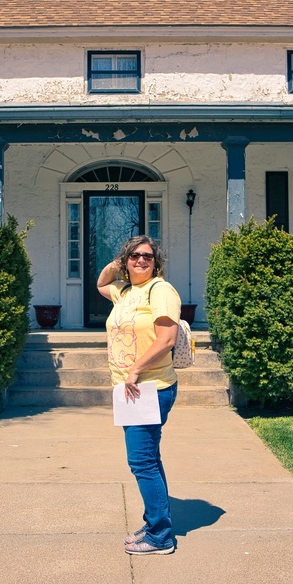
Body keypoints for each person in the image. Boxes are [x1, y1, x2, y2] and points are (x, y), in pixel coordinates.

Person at [97, 235, 181, 555]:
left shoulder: (160, 290)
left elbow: (167, 339)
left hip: (149, 387)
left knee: (141, 461)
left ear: (155, 262)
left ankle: (160, 536)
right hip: (129, 390)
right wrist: (118, 264)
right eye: (134, 256)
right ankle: (156, 521)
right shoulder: (127, 291)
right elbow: (102, 283)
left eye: (147, 256)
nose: (141, 260)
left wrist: (135, 370)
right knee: (149, 459)